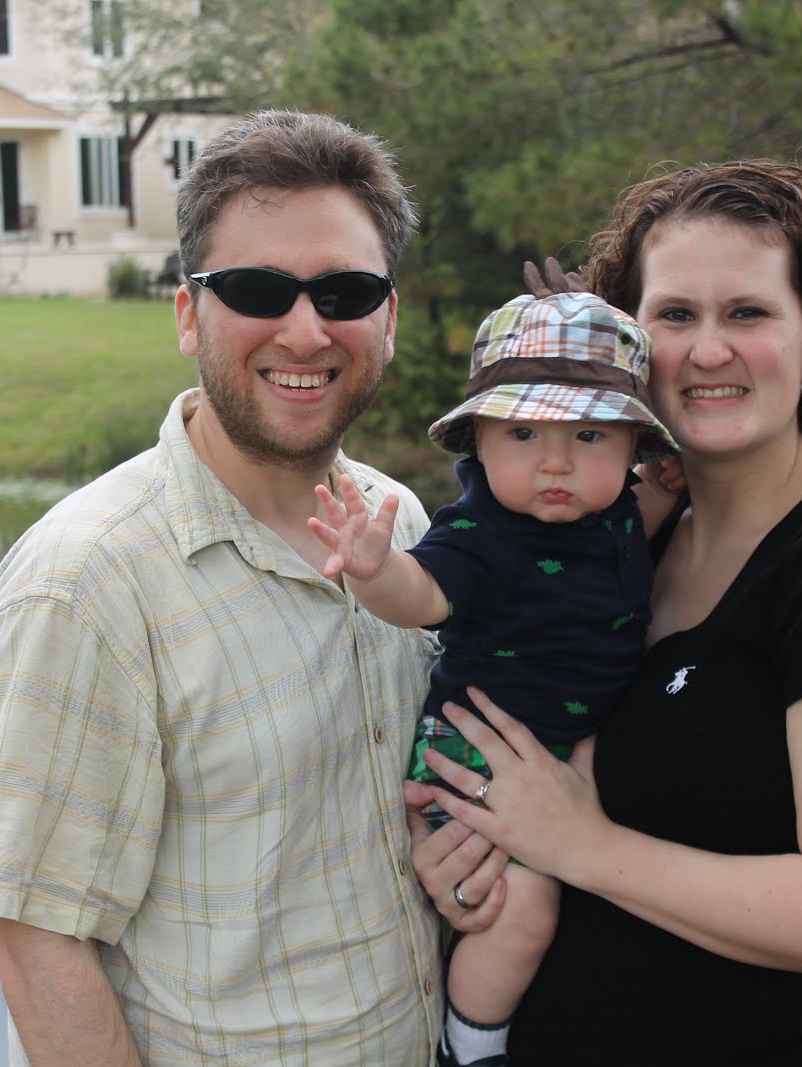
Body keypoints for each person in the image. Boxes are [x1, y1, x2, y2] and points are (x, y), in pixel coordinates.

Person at [406, 158, 802, 1065]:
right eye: (674, 316)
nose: (707, 351)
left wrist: (582, 845)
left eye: (747, 313)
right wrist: (470, 854)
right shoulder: (623, 528)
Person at [0, 110, 446, 1066]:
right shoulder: (85, 582)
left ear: (387, 318)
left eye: (345, 291)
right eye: (259, 289)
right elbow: (40, 939)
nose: (305, 329)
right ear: (188, 314)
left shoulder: (402, 527)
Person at [308, 290, 678, 1067]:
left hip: (558, 751)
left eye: (589, 435)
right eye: (523, 433)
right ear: (479, 439)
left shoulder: (618, 509)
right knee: (523, 908)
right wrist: (375, 570)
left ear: (633, 446)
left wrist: (672, 483)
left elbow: (631, 532)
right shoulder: (482, 534)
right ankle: (472, 1045)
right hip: (476, 756)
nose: (556, 461)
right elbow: (422, 597)